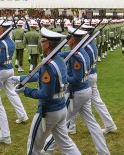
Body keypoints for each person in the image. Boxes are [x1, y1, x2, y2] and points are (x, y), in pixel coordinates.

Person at [8, 27, 81, 155]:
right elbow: (40, 75)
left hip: (48, 111)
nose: (41, 45)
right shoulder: (58, 61)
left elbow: (45, 94)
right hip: (60, 107)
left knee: (33, 147)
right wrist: (20, 78)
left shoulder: (48, 64)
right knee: (66, 143)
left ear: (48, 44)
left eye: (42, 42)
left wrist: (26, 91)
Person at [41, 26, 110, 155]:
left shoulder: (76, 56)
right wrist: (53, 56)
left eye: (69, 37)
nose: (68, 40)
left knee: (60, 123)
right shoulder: (80, 51)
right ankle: (103, 152)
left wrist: (62, 77)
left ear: (73, 39)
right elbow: (65, 54)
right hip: (84, 90)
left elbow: (76, 79)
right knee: (92, 123)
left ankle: (46, 149)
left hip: (76, 93)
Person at [68, 24, 117, 135]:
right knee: (96, 101)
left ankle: (71, 126)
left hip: (87, 76)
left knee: (76, 99)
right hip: (91, 75)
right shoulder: (90, 44)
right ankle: (109, 124)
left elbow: (84, 64)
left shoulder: (86, 46)